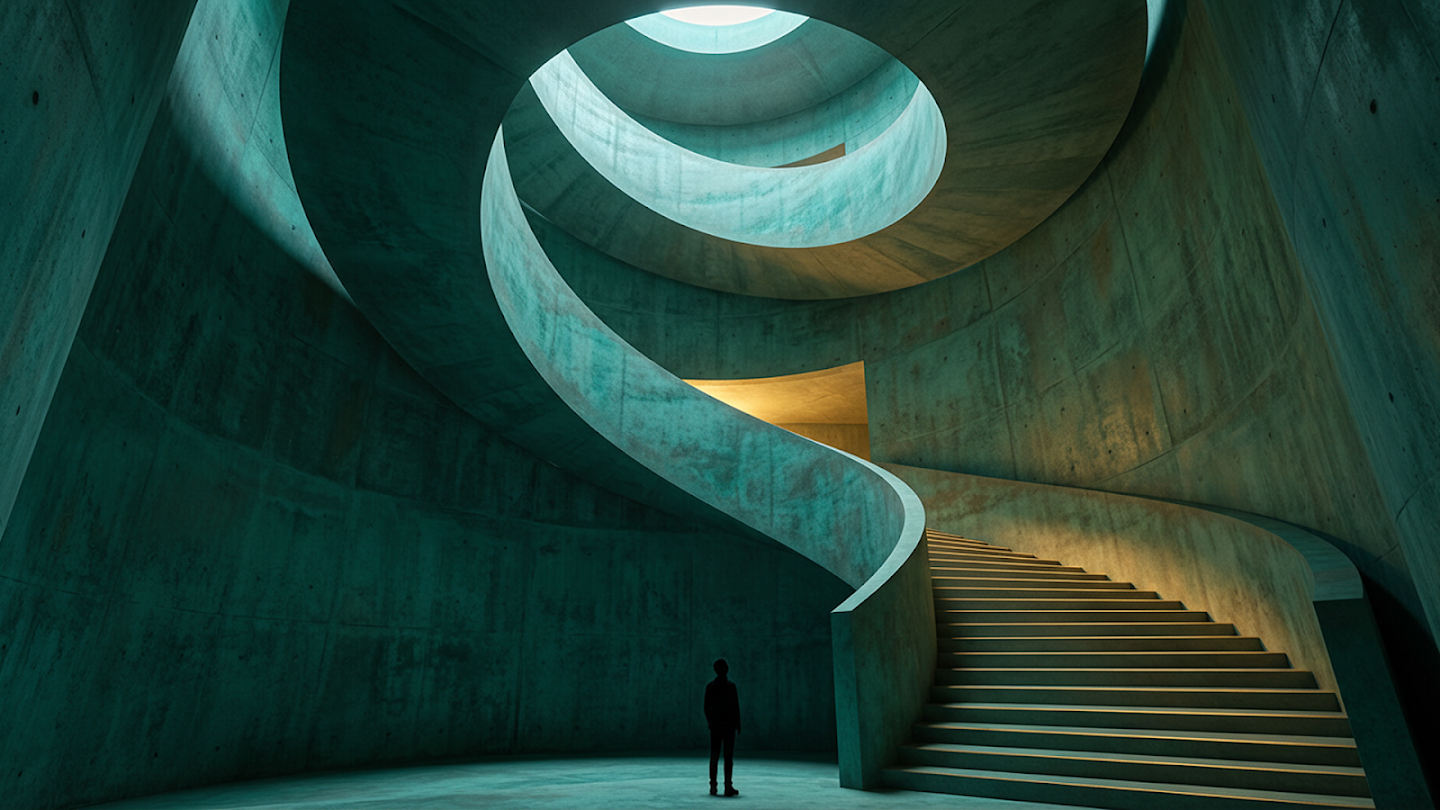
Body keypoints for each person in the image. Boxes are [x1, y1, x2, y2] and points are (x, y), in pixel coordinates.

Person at [704, 658, 741, 797]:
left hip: (716, 726)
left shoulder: (711, 686)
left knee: (714, 756)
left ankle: (713, 786)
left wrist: (710, 722)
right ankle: (727, 786)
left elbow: (706, 707)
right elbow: (735, 707)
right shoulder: (731, 686)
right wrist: (738, 724)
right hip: (728, 726)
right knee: (728, 757)